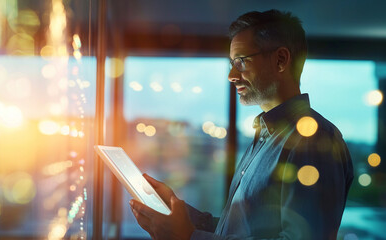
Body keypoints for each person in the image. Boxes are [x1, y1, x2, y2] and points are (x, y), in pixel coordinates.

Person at [129, 9, 354, 240]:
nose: (231, 75)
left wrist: (189, 237)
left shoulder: (312, 139)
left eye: (241, 62)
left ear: (281, 59)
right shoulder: (267, 137)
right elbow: (237, 231)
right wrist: (176, 208)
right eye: (231, 63)